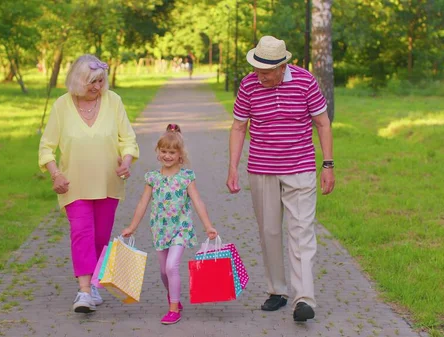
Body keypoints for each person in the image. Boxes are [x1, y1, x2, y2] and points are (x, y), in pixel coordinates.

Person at [226, 36, 335, 322]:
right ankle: (277, 291)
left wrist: (328, 165)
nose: (260, 76)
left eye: (266, 72)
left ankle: (304, 299)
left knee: (301, 233)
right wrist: (233, 167)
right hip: (262, 168)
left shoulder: (305, 81)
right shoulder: (249, 84)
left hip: (300, 167)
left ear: (282, 65)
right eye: (257, 69)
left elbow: (322, 122)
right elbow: (239, 127)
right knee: (270, 232)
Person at [38, 54, 139, 313]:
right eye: (91, 82)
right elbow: (46, 147)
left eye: (100, 81)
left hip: (108, 184)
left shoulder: (113, 101)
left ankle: (94, 284)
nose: (97, 87)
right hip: (74, 185)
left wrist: (126, 161)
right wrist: (55, 174)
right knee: (81, 232)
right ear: (77, 81)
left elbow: (128, 139)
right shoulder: (62, 105)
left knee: (100, 236)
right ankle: (84, 291)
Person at [121, 123, 218, 325]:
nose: (167, 156)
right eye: (164, 151)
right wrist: (132, 227)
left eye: (172, 152)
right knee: (164, 271)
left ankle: (174, 308)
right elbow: (142, 203)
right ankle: (172, 295)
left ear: (180, 155)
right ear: (158, 152)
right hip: (160, 229)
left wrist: (208, 226)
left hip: (180, 229)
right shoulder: (153, 178)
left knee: (172, 266)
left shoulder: (186, 177)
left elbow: (198, 201)